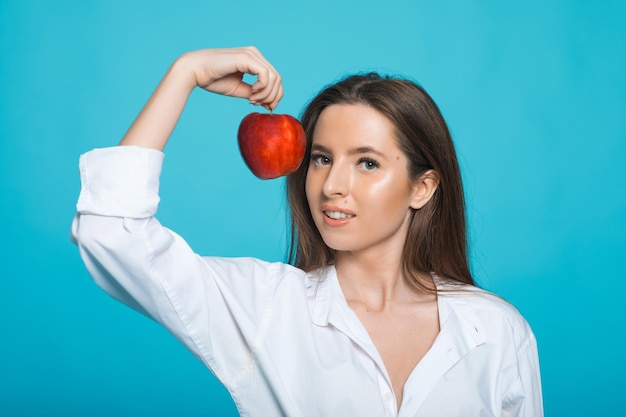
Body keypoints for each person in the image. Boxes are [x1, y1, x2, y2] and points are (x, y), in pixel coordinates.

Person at [71, 46, 543, 416]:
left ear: (422, 187)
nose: (332, 185)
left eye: (367, 163)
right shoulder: (264, 307)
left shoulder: (497, 331)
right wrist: (185, 73)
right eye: (321, 159)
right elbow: (110, 232)